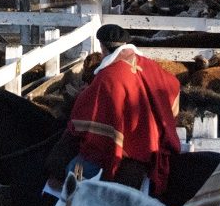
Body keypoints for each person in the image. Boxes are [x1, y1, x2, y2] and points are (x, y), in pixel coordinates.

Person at [47, 24, 181, 194]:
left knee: (74, 170)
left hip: (126, 149)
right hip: (152, 142)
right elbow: (173, 85)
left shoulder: (107, 76)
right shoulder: (148, 64)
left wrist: (80, 98)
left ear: (103, 47)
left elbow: (85, 116)